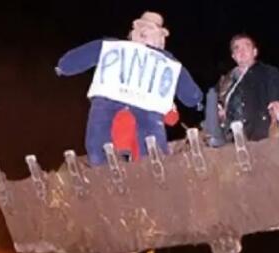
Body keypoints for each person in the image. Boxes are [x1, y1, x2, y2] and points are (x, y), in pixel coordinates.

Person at [55, 11, 203, 166]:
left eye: (150, 28)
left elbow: (183, 83)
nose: (144, 31)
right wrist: (65, 65)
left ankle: (152, 168)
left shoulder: (167, 61)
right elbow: (87, 54)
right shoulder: (113, 46)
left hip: (148, 108)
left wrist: (195, 99)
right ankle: (103, 168)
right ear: (133, 31)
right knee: (98, 142)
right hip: (108, 101)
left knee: (151, 145)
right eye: (141, 26)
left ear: (161, 38)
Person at [204, 33, 279, 147]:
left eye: (246, 46)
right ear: (233, 56)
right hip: (230, 137)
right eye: (237, 48)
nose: (241, 50)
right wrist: (218, 110)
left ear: (255, 52)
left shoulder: (267, 72)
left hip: (259, 132)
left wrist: (278, 102)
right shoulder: (225, 81)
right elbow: (215, 104)